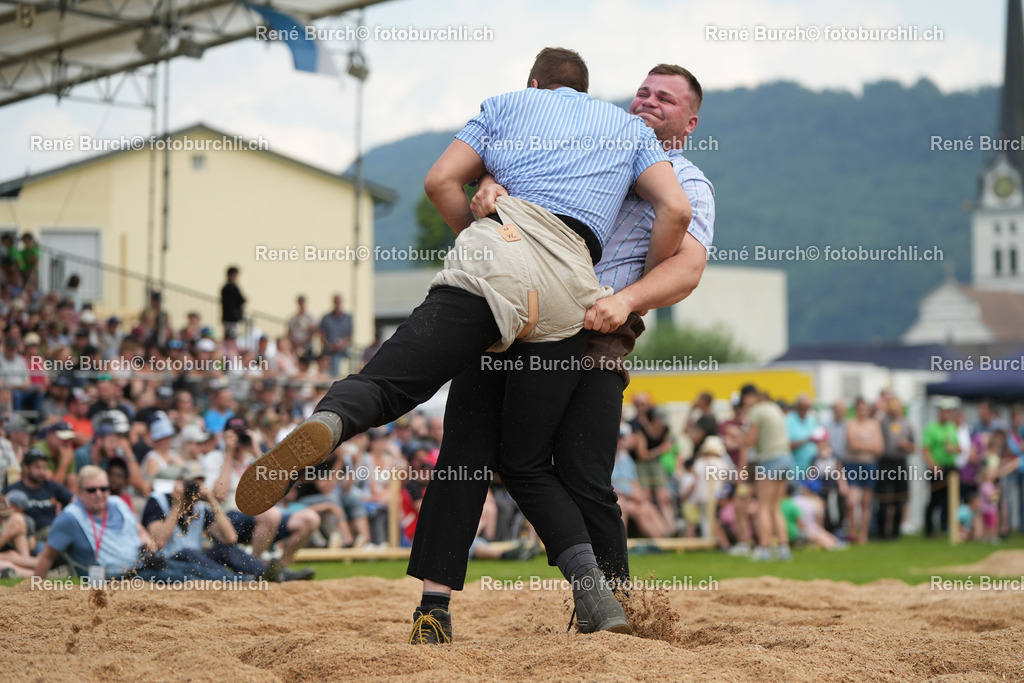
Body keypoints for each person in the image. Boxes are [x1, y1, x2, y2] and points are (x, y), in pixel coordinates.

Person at [239, 49, 692, 642]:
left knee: (415, 406)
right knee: (528, 464)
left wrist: (491, 229)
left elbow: (439, 181)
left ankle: (335, 431)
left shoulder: (508, 106)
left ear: (534, 84)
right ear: (585, 90)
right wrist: (633, 290)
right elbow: (676, 209)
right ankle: (594, 593)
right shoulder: (626, 129)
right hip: (571, 296)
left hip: (499, 262)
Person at [405, 62, 713, 641]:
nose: (649, 101)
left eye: (666, 98)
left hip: (597, 326)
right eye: (643, 91)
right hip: (514, 305)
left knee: (581, 471)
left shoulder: (686, 181)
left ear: (690, 122)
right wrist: (490, 187)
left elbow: (688, 268)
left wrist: (627, 301)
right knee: (467, 455)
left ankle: (615, 610)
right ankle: (434, 607)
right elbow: (502, 186)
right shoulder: (590, 146)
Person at [742, 385, 793, 561]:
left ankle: (764, 549)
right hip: (785, 458)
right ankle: (784, 548)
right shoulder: (775, 408)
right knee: (775, 507)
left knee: (763, 507)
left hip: (769, 459)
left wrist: (737, 438)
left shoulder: (756, 411)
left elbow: (750, 440)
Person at [844, 397, 884, 544]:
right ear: (856, 409)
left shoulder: (874, 424)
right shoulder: (850, 424)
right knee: (851, 501)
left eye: (864, 408)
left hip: (870, 465)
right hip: (853, 464)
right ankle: (852, 531)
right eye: (859, 409)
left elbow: (879, 448)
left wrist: (861, 443)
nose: (862, 411)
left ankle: (864, 534)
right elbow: (852, 445)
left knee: (866, 502)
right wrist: (869, 443)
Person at [922, 398, 960, 537]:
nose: (946, 414)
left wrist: (953, 449)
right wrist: (933, 466)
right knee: (935, 499)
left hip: (950, 466)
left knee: (951, 499)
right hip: (936, 468)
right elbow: (925, 449)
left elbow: (959, 448)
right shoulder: (931, 428)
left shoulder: (952, 427)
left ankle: (946, 527)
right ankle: (929, 529)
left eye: (948, 411)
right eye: (943, 411)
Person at [877, 397, 915, 540]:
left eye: (896, 406)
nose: (894, 409)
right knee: (883, 498)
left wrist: (906, 445)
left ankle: (895, 532)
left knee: (900, 498)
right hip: (885, 463)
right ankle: (881, 532)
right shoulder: (882, 422)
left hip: (900, 462)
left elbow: (914, 447)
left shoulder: (907, 424)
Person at [319, 294, 353, 377]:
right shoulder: (326, 318)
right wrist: (330, 346)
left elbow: (349, 336)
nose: (337, 304)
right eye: (336, 302)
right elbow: (322, 335)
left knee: (335, 359)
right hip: (328, 350)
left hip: (341, 350)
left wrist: (341, 345)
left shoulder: (347, 318)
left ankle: (333, 378)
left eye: (339, 302)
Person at [288, 295, 317, 363]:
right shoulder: (293, 318)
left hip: (306, 346)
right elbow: (289, 332)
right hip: (295, 346)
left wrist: (302, 343)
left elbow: (313, 332)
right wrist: (294, 343)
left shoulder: (310, 317)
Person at [220, 266, 246, 340]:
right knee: (231, 338)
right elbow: (239, 299)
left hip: (231, 319)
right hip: (231, 319)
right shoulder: (230, 288)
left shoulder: (227, 288)